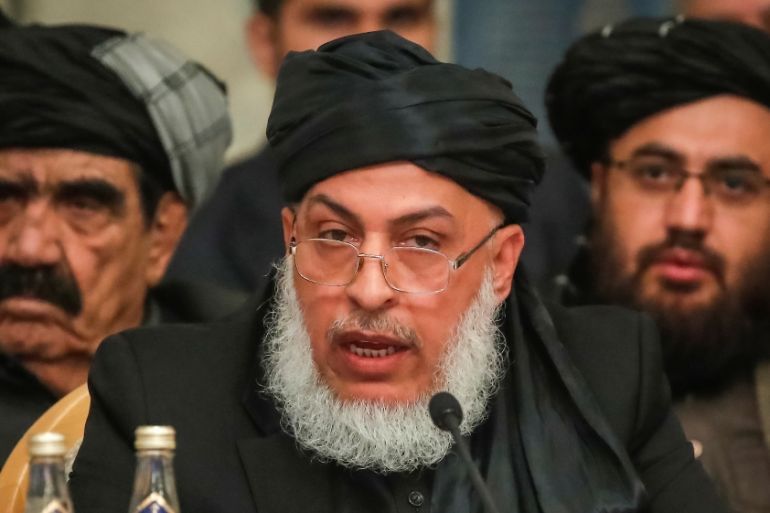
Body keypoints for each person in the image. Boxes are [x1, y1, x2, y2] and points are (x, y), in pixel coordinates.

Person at [70, 31, 724, 513]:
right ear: (290, 239)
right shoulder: (160, 397)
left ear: (500, 263)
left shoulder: (607, 379)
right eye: (334, 236)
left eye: (421, 243)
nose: (368, 288)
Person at [546, 16, 770, 512]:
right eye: (655, 173)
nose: (687, 219)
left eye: (734, 184)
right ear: (600, 186)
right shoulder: (503, 378)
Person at [0, 15, 236, 463]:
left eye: (82, 205)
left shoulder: (242, 381)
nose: (29, 249)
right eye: (5, 199)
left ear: (162, 233)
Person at [163, 0, 436, 296]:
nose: (374, 46)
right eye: (332, 18)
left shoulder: (475, 206)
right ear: (266, 42)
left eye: (402, 17)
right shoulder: (195, 235)